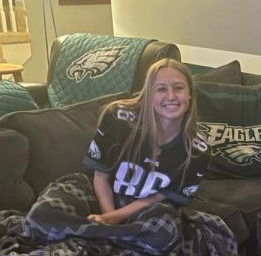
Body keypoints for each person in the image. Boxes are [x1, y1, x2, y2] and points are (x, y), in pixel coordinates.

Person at [84, 57, 208, 225]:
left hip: (146, 211)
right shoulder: (117, 118)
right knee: (49, 205)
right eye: (161, 89)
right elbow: (100, 177)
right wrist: (108, 216)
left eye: (178, 88)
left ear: (190, 93)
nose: (171, 96)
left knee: (165, 229)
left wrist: (113, 219)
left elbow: (159, 198)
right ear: (149, 94)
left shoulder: (198, 150)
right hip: (102, 197)